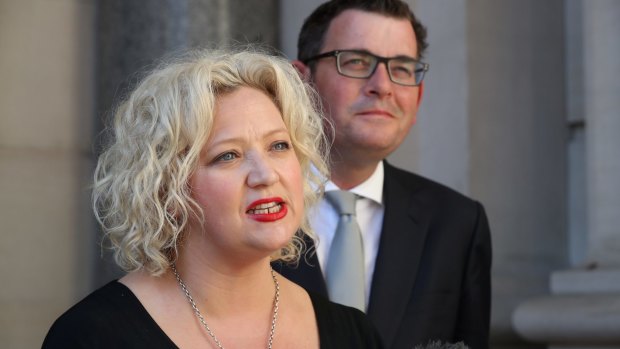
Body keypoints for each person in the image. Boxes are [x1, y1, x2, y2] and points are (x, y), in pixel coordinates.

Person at [42, 47, 383, 348]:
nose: (266, 175)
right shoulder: (90, 336)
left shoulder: (353, 334)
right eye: (228, 155)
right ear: (168, 189)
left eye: (279, 146)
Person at [275, 1, 492, 348]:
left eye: (403, 68)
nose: (383, 86)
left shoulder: (457, 224)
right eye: (357, 62)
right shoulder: (246, 206)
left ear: (418, 98)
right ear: (301, 81)